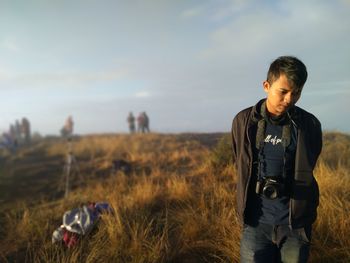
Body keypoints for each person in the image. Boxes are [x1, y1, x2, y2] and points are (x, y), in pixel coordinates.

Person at [231, 56, 322, 262]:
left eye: (296, 92)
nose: (289, 99)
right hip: (255, 223)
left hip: (295, 226)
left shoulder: (309, 125)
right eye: (283, 91)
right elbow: (240, 161)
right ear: (266, 86)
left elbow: (310, 164)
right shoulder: (244, 122)